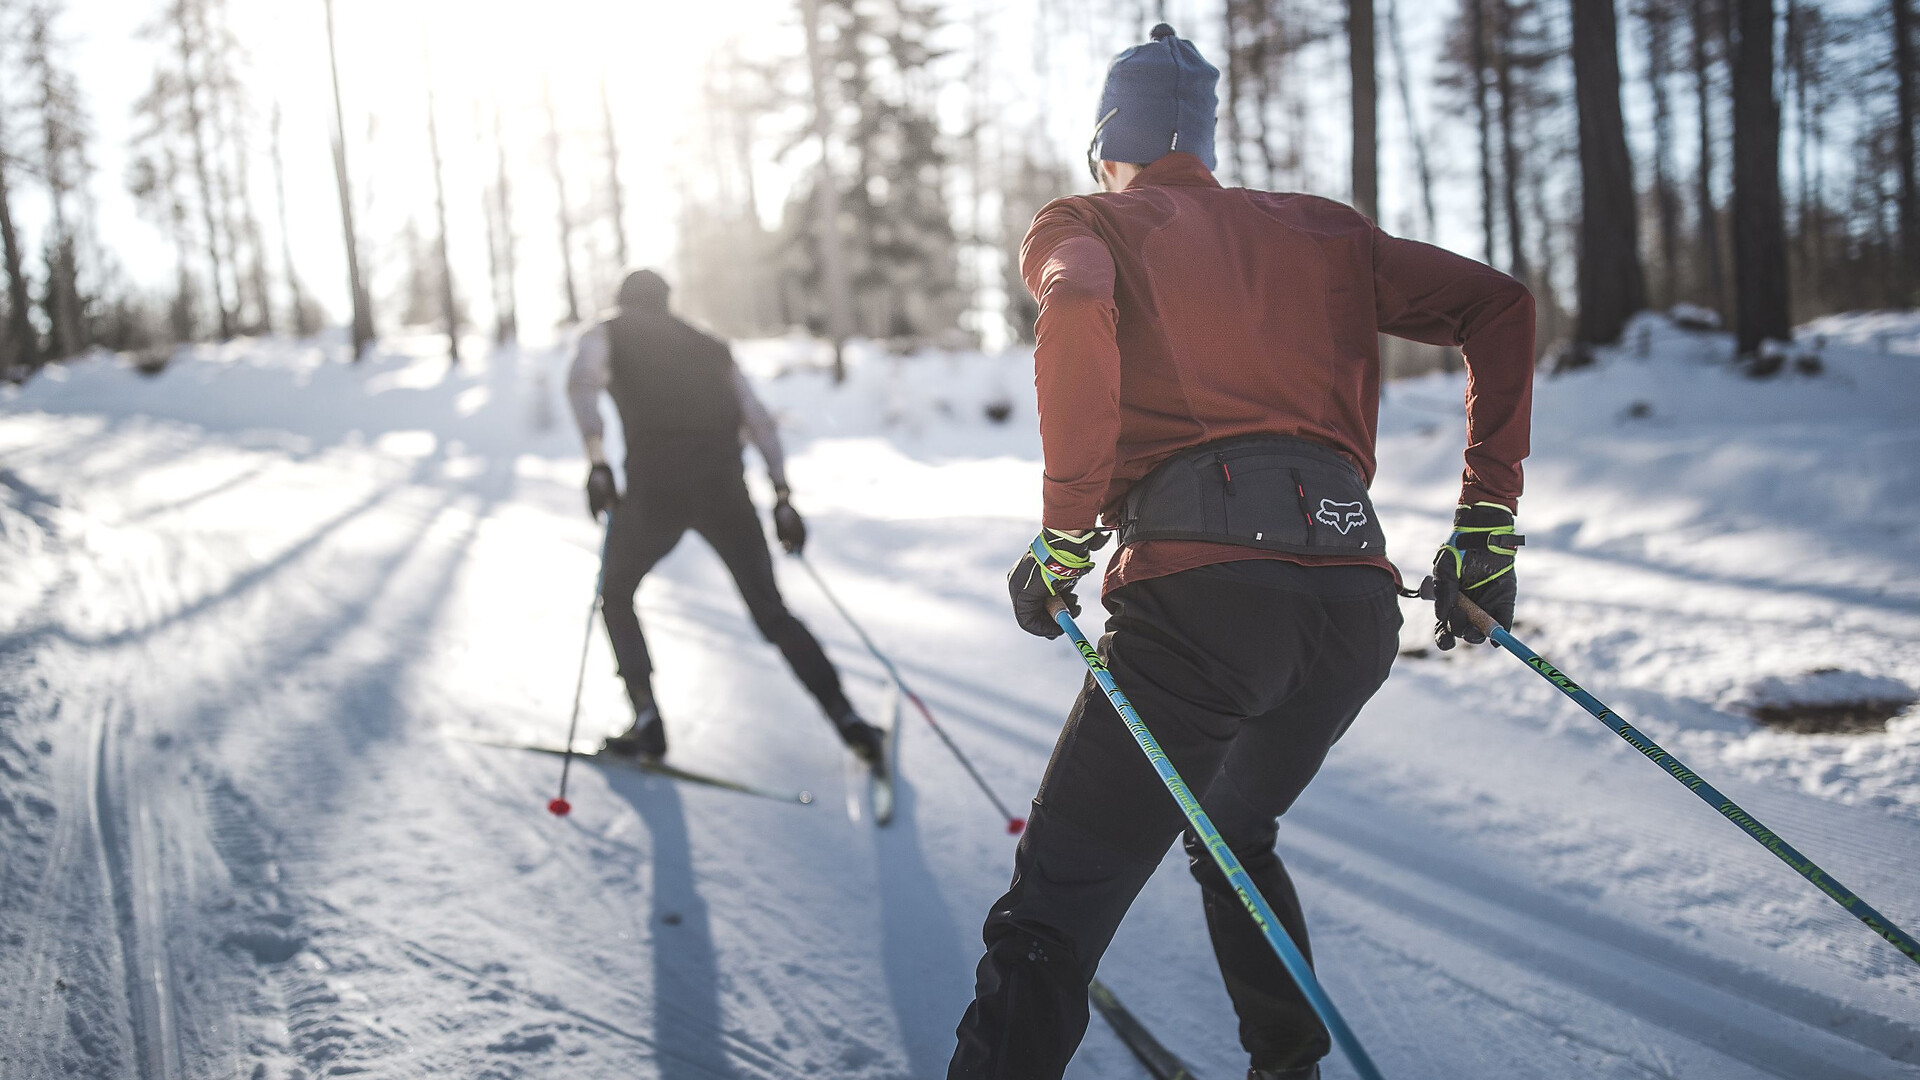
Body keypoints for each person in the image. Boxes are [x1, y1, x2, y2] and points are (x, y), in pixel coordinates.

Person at [947, 24, 1533, 1080]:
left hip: (1201, 609)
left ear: (1106, 148)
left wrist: (1067, 533)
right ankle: (1286, 1061)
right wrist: (1485, 524)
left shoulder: (1087, 221)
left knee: (1051, 917)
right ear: (1204, 144)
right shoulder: (1325, 232)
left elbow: (1074, 303)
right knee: (1232, 825)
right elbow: (1500, 305)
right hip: (1352, 612)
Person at [565, 269, 886, 766]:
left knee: (617, 594)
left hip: (655, 491)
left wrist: (597, 461)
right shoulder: (711, 347)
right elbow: (758, 419)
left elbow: (581, 384)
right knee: (771, 612)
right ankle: (846, 718)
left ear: (623, 300)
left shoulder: (608, 331)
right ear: (667, 301)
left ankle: (646, 719)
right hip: (724, 492)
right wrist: (782, 495)